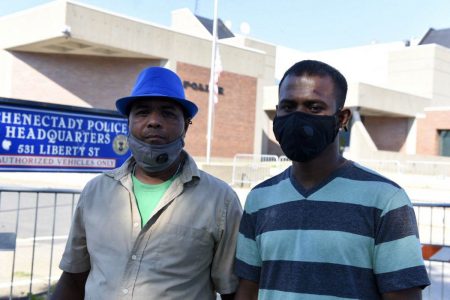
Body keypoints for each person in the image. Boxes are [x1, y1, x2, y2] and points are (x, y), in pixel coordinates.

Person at [234, 60, 430, 299]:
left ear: (342, 118)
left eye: (314, 107)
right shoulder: (259, 198)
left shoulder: (386, 199)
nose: (298, 117)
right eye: (288, 106)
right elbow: (248, 290)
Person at [52, 66, 243, 300]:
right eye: (142, 112)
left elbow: (231, 291)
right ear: (128, 123)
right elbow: (73, 278)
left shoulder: (220, 200)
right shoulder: (96, 191)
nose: (154, 122)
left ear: (186, 125)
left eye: (167, 113)